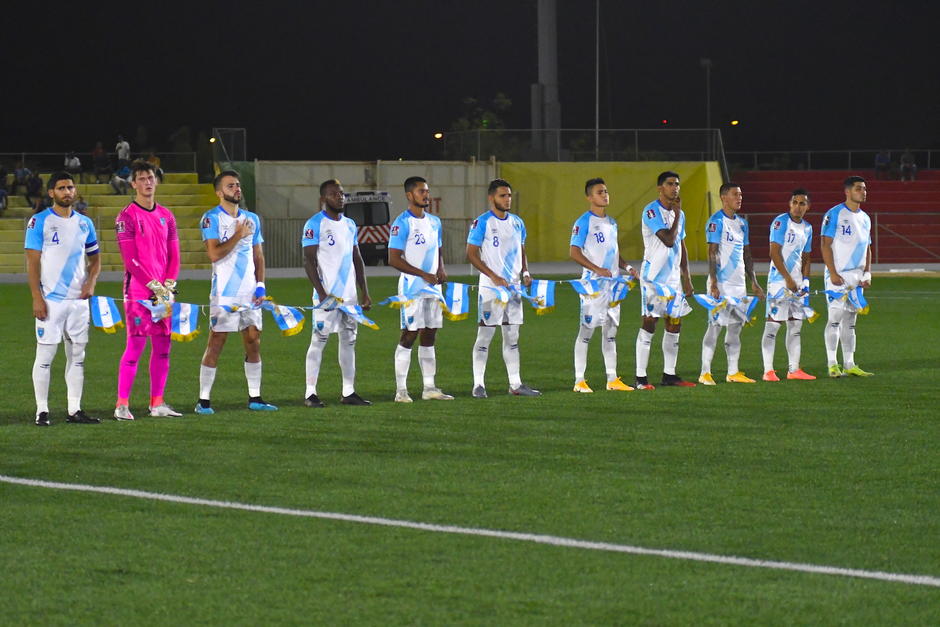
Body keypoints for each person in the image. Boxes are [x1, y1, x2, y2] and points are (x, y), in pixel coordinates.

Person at [195, 170, 277, 415]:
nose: (237, 189)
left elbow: (258, 255)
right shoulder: (210, 219)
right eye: (231, 186)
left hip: (250, 293)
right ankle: (204, 401)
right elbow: (214, 254)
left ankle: (256, 398)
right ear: (219, 192)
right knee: (216, 342)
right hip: (224, 294)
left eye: (238, 185)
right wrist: (237, 235)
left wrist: (261, 285)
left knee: (253, 341)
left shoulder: (252, 218)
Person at [25, 172, 102, 426]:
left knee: (77, 356)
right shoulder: (40, 222)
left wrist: (91, 282)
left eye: (70, 187)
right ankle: (42, 411)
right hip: (51, 301)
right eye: (61, 188)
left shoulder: (85, 223)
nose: (67, 192)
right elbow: (32, 262)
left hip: (78, 302)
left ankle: (74, 410)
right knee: (45, 356)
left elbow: (95, 259)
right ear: (51, 193)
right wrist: (37, 297)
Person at [114, 160, 181, 419]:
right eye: (142, 178)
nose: (148, 182)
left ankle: (157, 403)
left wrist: (169, 286)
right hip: (139, 293)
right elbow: (130, 259)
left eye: (151, 177)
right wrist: (155, 286)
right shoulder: (126, 216)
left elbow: (174, 256)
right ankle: (122, 404)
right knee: (135, 347)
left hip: (164, 293)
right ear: (133, 184)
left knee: (164, 347)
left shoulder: (167, 215)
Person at [466, 178, 541, 398]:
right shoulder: (482, 223)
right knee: (485, 335)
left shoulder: (517, 222)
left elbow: (522, 250)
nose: (507, 199)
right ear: (491, 198)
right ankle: (478, 384)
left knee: (512, 336)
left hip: (514, 288)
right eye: (502, 196)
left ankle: (515, 384)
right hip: (491, 288)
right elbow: (470, 253)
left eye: (509, 195)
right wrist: (493, 276)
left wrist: (525, 272)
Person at [301, 179, 373, 407]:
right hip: (327, 297)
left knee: (349, 341)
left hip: (349, 297)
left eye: (342, 193)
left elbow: (357, 259)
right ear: (324, 199)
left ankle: (349, 392)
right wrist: (321, 294)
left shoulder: (350, 224)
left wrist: (365, 292)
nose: (340, 197)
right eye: (334, 194)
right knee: (319, 340)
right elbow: (309, 261)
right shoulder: (314, 224)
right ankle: (310, 393)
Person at [388, 176, 454, 402]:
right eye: (421, 191)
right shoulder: (401, 223)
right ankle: (401, 390)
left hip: (433, 289)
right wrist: (423, 274)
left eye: (427, 191)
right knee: (409, 335)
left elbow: (438, 249)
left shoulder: (435, 221)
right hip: (412, 288)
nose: (426, 195)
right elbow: (394, 259)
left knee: (430, 334)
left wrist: (441, 268)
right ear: (409, 195)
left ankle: (429, 388)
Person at [569, 177, 637, 393]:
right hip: (593, 286)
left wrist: (627, 268)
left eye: (606, 191)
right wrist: (596, 269)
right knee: (586, 331)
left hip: (613, 286)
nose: (605, 195)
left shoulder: (612, 222)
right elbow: (574, 252)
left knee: (610, 332)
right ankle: (579, 380)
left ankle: (612, 379)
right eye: (600, 192)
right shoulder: (583, 222)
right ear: (589, 197)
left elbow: (614, 253)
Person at [635, 171, 697, 390]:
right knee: (650, 323)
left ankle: (669, 375)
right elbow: (669, 240)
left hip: (673, 280)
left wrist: (686, 277)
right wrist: (677, 215)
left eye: (677, 184)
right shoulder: (651, 211)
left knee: (674, 325)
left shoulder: (681, 214)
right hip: (653, 278)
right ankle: (640, 378)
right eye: (670, 184)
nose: (675, 188)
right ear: (660, 187)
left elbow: (681, 245)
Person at [699, 182, 765, 384]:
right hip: (721, 283)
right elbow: (712, 253)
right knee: (715, 326)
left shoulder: (742, 223)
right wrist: (714, 283)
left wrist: (753, 282)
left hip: (738, 285)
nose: (740, 198)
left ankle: (733, 372)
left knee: (736, 327)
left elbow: (746, 254)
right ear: (724, 197)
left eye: (741, 195)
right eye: (736, 194)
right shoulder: (716, 221)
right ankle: (705, 372)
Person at [761, 189, 816, 381]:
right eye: (795, 202)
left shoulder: (808, 228)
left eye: (802, 203)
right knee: (773, 326)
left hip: (797, 285)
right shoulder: (781, 222)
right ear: (789, 204)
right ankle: (768, 370)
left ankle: (794, 370)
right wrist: (788, 279)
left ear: (808, 207)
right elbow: (774, 253)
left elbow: (807, 257)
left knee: (795, 326)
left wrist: (805, 281)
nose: (798, 206)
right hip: (778, 283)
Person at [821, 176, 873, 377]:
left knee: (850, 323)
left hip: (856, 278)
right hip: (838, 277)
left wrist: (867, 272)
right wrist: (832, 272)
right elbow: (825, 245)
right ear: (848, 192)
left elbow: (867, 247)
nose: (863, 192)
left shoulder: (866, 218)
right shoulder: (834, 214)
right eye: (859, 189)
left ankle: (850, 364)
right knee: (834, 319)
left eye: (865, 189)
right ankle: (832, 364)